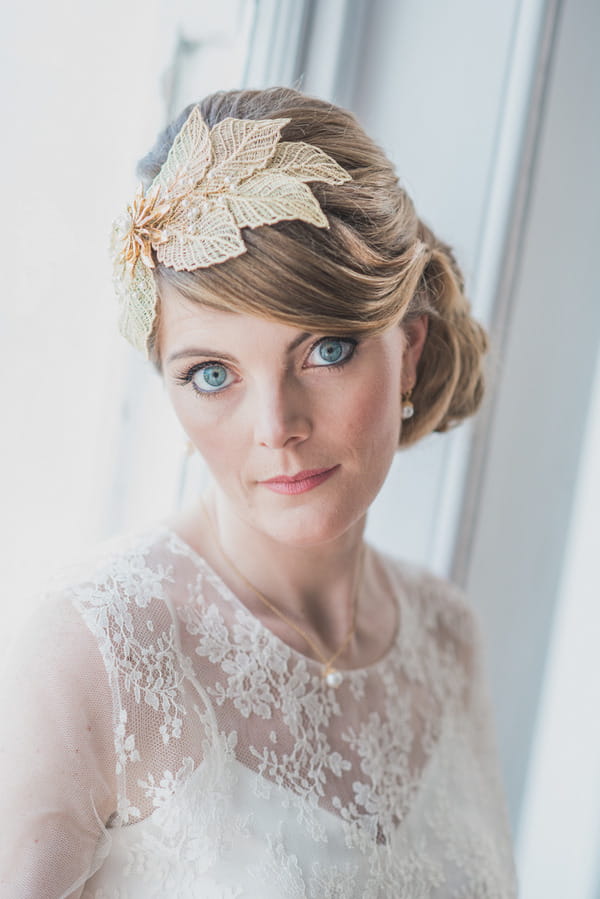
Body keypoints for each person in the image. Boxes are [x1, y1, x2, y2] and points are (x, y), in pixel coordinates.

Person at [0, 86, 518, 897]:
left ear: (409, 349)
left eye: (327, 350)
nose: (276, 425)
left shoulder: (452, 640)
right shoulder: (91, 652)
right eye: (213, 374)